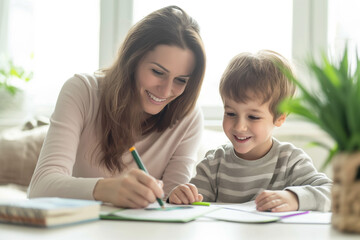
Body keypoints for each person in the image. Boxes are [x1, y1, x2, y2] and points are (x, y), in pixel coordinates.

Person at [28, 5, 206, 209]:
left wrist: (179, 195)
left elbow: (170, 201)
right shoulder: (82, 92)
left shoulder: (188, 117)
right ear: (133, 60)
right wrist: (106, 189)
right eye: (157, 72)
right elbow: (40, 187)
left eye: (181, 80)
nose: (166, 91)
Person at [168, 50, 332, 212]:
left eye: (253, 117)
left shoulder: (290, 161)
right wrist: (180, 197)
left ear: (280, 118)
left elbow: (334, 194)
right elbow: (191, 205)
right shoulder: (213, 164)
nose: (239, 127)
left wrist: (294, 198)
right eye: (231, 113)